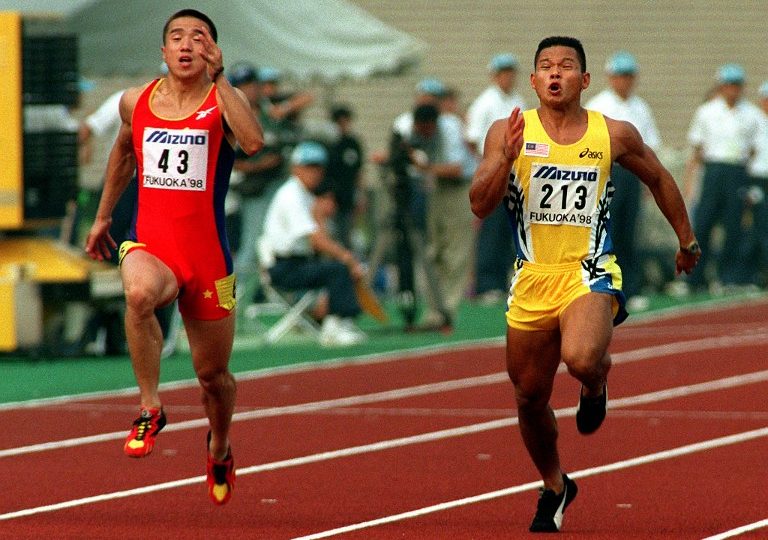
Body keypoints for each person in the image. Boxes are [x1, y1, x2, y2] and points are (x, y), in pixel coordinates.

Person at [469, 36, 700, 533]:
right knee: (529, 398)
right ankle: (555, 485)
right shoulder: (507, 131)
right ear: (534, 81)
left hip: (588, 269)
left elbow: (659, 177)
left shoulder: (612, 133)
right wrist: (505, 159)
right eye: (546, 67)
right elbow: (479, 204)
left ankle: (595, 382)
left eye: (567, 66)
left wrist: (686, 239)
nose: (556, 73)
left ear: (585, 79)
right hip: (532, 276)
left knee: (580, 357)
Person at [84, 9, 264, 506]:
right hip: (152, 245)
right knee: (138, 294)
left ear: (212, 51)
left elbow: (253, 142)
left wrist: (222, 79)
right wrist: (102, 217)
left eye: (198, 37)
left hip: (207, 256)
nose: (187, 45)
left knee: (213, 377)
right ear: (163, 51)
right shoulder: (136, 101)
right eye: (177, 37)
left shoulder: (223, 100)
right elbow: (123, 153)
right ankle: (150, 406)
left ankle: (220, 445)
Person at [261, 141, 367, 347]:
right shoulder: (291, 195)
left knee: (335, 268)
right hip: (283, 266)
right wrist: (347, 257)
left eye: (318, 167)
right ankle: (334, 326)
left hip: (298, 262)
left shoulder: (305, 195)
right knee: (337, 269)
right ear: (296, 168)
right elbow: (316, 239)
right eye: (309, 167)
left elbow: (318, 233)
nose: (315, 173)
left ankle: (337, 321)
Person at [585, 51, 662, 309]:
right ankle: (603, 288)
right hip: (607, 172)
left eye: (629, 76)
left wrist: (650, 180)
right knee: (606, 232)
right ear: (610, 77)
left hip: (632, 174)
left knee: (630, 232)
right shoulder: (597, 105)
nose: (625, 81)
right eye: (620, 76)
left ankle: (631, 287)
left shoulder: (641, 108)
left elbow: (650, 146)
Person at [682, 63, 761, 290]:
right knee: (703, 224)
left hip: (736, 170)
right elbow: (697, 148)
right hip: (713, 170)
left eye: (736, 85)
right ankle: (695, 278)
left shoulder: (751, 114)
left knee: (733, 225)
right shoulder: (707, 111)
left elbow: (754, 148)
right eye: (728, 85)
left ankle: (729, 277)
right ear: (721, 86)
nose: (732, 90)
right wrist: (691, 180)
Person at [466, 53, 528, 304]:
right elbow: (472, 139)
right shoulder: (485, 103)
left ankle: (503, 281)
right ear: (495, 75)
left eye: (511, 72)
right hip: (494, 172)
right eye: (503, 73)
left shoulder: (517, 100)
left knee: (508, 229)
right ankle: (487, 283)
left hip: (515, 174)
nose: (508, 77)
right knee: (491, 229)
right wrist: (490, 166)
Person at [325, 104, 365, 250]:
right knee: (332, 234)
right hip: (332, 196)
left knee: (348, 234)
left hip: (348, 195)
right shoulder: (330, 144)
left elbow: (359, 172)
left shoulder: (353, 144)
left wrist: (360, 195)